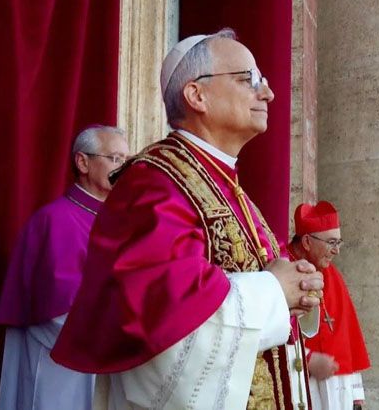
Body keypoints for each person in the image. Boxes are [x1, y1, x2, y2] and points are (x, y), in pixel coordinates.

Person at [51, 29, 324, 410]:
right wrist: (273, 292)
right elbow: (161, 317)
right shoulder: (154, 183)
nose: (268, 93)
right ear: (197, 95)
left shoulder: (227, 184)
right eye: (249, 79)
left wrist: (296, 291)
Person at [0, 125, 131, 410]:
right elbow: (56, 307)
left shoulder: (116, 220)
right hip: (61, 362)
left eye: (126, 160)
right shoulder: (57, 220)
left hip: (104, 358)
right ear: (83, 162)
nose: (124, 168)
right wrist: (122, 337)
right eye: (115, 159)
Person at [287, 201, 370, 410]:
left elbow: (348, 333)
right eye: (332, 243)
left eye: (338, 243)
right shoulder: (283, 271)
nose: (337, 251)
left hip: (338, 388)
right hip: (299, 382)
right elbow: (271, 331)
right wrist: (307, 361)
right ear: (307, 241)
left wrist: (356, 393)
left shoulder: (334, 276)